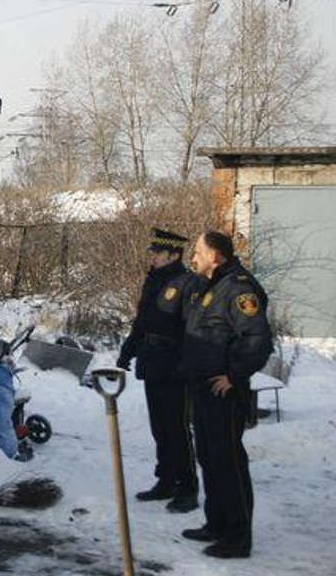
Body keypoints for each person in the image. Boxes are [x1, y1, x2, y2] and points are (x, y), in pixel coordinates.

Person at [179, 231, 273, 559]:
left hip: (224, 392)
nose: (193, 257)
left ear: (215, 256)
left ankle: (237, 536)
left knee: (227, 462)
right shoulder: (213, 284)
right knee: (208, 457)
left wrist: (234, 375)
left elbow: (258, 340)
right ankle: (216, 523)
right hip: (203, 388)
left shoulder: (239, 288)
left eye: (198, 251)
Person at [117, 228, 200, 513]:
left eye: (157, 253)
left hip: (175, 365)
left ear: (173, 255)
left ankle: (187, 488)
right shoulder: (154, 280)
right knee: (159, 428)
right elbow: (143, 322)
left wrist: (185, 364)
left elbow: (194, 330)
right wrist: (127, 351)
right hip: (153, 360)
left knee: (177, 429)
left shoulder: (188, 283)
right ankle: (165, 481)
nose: (151, 256)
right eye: (152, 252)